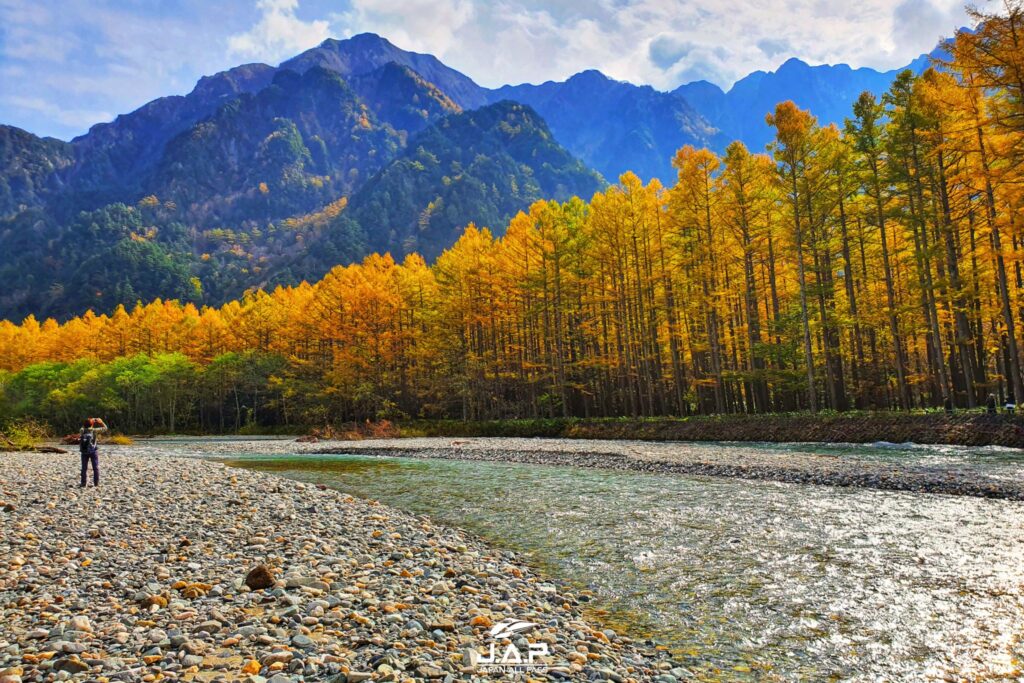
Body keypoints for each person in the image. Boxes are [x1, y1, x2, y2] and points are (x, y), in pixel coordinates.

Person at [79, 418, 107, 487]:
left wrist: (88, 422)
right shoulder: (94, 430)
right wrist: (101, 422)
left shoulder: (82, 430)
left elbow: (83, 427)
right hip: (93, 451)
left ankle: (83, 483)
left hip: (84, 452)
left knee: (84, 468)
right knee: (95, 468)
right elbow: (105, 428)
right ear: (92, 425)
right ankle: (96, 484)